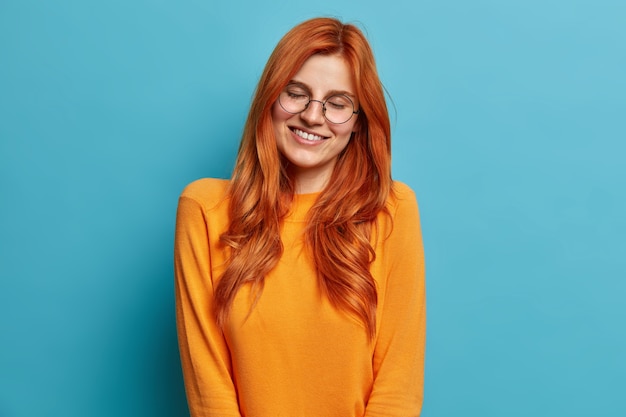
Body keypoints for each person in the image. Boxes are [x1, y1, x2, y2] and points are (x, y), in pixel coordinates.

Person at [174, 17, 426, 417]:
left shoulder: (391, 210)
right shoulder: (205, 209)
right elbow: (209, 389)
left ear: (359, 122)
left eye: (338, 103)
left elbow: (399, 384)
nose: (312, 116)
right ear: (271, 99)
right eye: (297, 94)